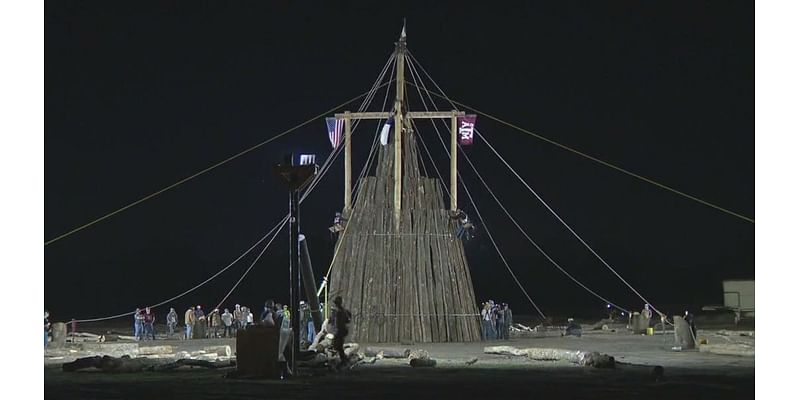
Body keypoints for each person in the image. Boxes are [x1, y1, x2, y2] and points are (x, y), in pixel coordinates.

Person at [332, 296, 351, 368]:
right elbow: (348, 320)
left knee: (338, 346)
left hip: (340, 330)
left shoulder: (338, 312)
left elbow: (337, 323)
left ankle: (344, 360)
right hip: (343, 330)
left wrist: (336, 331)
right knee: (339, 346)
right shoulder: (343, 311)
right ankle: (343, 360)